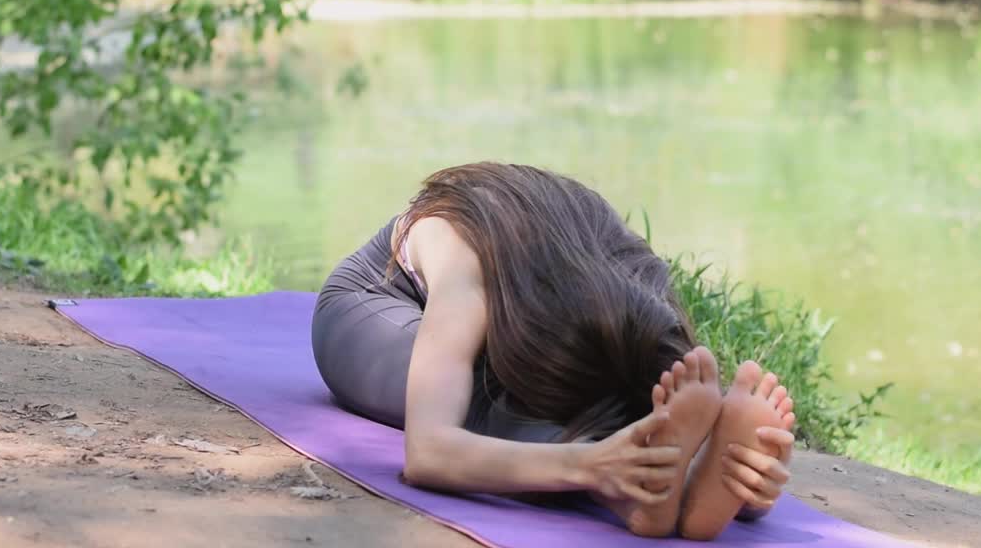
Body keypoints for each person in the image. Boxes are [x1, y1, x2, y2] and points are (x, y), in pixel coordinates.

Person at [311, 162, 796, 539]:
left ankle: (681, 484)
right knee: (481, 400)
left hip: (529, 321)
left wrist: (751, 481)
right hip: (371, 304)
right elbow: (428, 451)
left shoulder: (625, 270)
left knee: (626, 392)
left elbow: (666, 395)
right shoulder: (468, 267)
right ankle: (630, 494)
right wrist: (589, 467)